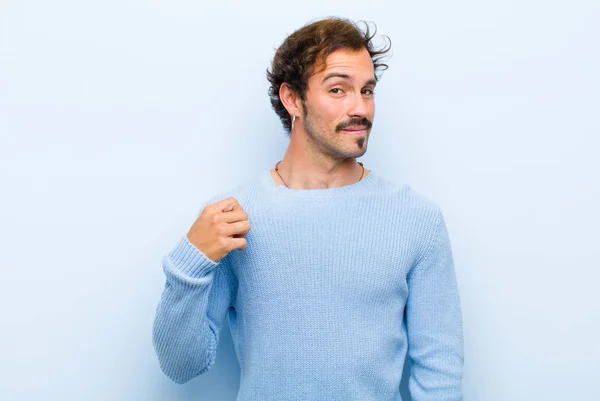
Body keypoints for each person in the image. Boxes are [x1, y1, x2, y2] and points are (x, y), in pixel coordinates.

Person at [152, 16, 464, 401]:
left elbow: (440, 374)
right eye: (338, 90)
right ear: (292, 99)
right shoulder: (232, 219)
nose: (360, 107)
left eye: (367, 91)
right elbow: (181, 366)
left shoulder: (417, 220)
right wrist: (189, 262)